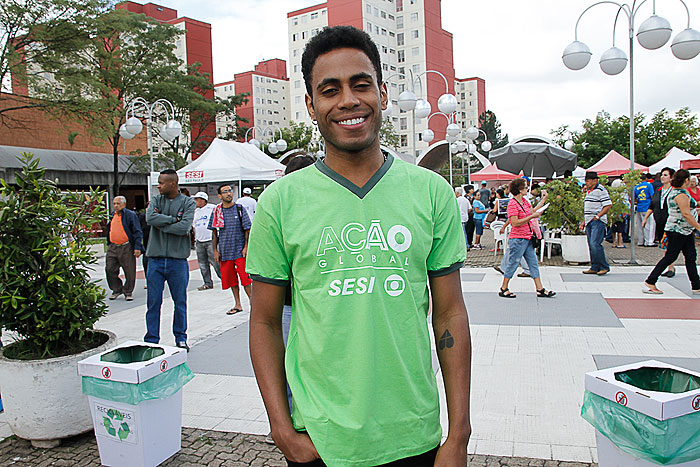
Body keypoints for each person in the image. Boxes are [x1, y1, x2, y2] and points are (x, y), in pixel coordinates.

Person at [246, 26, 471, 467]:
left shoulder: (431, 192)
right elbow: (266, 323)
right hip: (321, 441)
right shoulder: (280, 202)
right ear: (311, 105)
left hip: (414, 435)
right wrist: (281, 429)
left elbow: (450, 313)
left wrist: (458, 434)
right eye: (330, 90)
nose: (348, 100)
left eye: (360, 84)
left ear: (383, 94)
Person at [144, 169, 196, 351]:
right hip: (155, 260)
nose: (158, 185)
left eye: (161, 182)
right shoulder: (156, 200)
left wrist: (162, 225)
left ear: (173, 183)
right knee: (153, 302)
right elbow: (150, 218)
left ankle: (180, 337)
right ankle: (151, 339)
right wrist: (173, 219)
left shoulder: (188, 202)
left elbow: (184, 228)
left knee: (180, 302)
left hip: (178, 262)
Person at [643, 169, 700, 295]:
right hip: (678, 230)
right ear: (686, 180)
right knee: (671, 256)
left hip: (683, 230)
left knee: (690, 256)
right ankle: (651, 281)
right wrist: (698, 227)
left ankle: (696, 285)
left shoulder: (676, 192)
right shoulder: (680, 195)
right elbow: (686, 213)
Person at [498, 178, 553, 298]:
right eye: (525, 187)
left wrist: (543, 200)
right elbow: (515, 222)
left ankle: (540, 288)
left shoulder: (524, 201)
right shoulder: (512, 204)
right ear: (520, 189)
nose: (527, 189)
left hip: (527, 237)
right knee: (513, 263)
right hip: (518, 239)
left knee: (533, 263)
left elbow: (532, 210)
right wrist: (532, 216)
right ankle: (504, 287)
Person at [209, 184, 252, 315]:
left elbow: (247, 229)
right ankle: (237, 304)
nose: (229, 194)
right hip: (225, 252)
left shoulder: (239, 209)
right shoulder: (217, 211)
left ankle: (253, 303)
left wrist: (246, 246)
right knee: (231, 280)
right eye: (225, 192)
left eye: (230, 191)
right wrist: (215, 251)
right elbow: (214, 233)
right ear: (219, 196)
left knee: (245, 279)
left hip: (239, 251)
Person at [105, 196, 143, 301]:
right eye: (114, 204)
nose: (116, 206)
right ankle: (116, 289)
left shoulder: (130, 215)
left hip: (126, 246)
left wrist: (137, 247)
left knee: (129, 270)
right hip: (113, 246)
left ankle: (128, 291)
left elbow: (137, 231)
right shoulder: (112, 215)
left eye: (118, 204)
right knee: (110, 269)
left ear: (124, 204)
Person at [643, 168, 676, 277]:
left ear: (671, 178)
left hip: (671, 221)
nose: (662, 177)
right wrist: (645, 218)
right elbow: (652, 205)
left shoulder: (674, 191)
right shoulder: (658, 190)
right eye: (662, 175)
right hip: (660, 220)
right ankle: (669, 265)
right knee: (665, 244)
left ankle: (671, 267)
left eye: (665, 175)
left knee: (670, 244)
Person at [581, 171, 612, 275]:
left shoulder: (601, 190)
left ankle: (604, 266)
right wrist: (584, 221)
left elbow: (608, 205)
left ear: (595, 181)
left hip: (597, 221)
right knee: (591, 244)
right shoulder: (589, 191)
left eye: (588, 181)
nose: (586, 183)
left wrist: (598, 216)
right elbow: (588, 208)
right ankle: (594, 266)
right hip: (589, 220)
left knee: (595, 244)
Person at [192, 191, 221, 290]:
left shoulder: (212, 208)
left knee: (216, 262)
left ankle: (224, 278)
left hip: (210, 240)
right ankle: (207, 282)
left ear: (202, 200)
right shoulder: (196, 212)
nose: (195, 201)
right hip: (199, 240)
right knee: (202, 263)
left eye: (197, 199)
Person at [634, 175, 655, 246]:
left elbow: (634, 198)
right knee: (649, 225)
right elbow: (652, 196)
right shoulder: (649, 185)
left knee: (639, 226)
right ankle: (649, 242)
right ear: (646, 178)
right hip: (647, 207)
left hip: (639, 207)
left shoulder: (636, 187)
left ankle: (640, 241)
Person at [609, 179, 627, 249]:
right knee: (620, 229)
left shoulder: (612, 195)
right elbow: (625, 204)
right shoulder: (622, 195)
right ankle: (619, 243)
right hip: (621, 213)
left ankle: (614, 242)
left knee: (613, 228)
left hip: (613, 214)